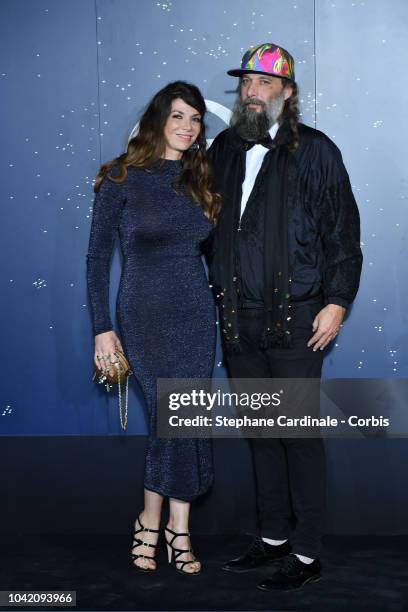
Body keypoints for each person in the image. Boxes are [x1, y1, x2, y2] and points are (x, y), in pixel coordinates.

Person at [208, 43, 362, 590]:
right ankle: (273, 536)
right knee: (261, 433)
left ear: (287, 93)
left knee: (295, 435)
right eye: (246, 83)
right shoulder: (223, 148)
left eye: (264, 84)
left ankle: (307, 551)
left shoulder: (317, 151)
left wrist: (337, 301)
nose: (251, 91)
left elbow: (342, 233)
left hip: (296, 318)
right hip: (237, 320)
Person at [86, 81, 220, 575]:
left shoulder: (200, 178)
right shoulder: (122, 177)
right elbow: (98, 257)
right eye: (179, 116)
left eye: (196, 118)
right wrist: (102, 328)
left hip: (194, 313)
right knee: (172, 417)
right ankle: (154, 520)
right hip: (143, 313)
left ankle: (173, 527)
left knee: (188, 417)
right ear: (159, 119)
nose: (188, 127)